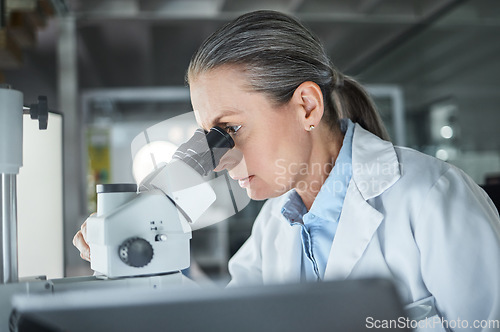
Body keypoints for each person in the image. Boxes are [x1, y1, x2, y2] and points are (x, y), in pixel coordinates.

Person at [75, 10, 500, 329]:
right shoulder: (275, 223)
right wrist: (138, 256)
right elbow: (231, 321)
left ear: (307, 106)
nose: (218, 158)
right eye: (209, 137)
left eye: (230, 129)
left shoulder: (433, 197)